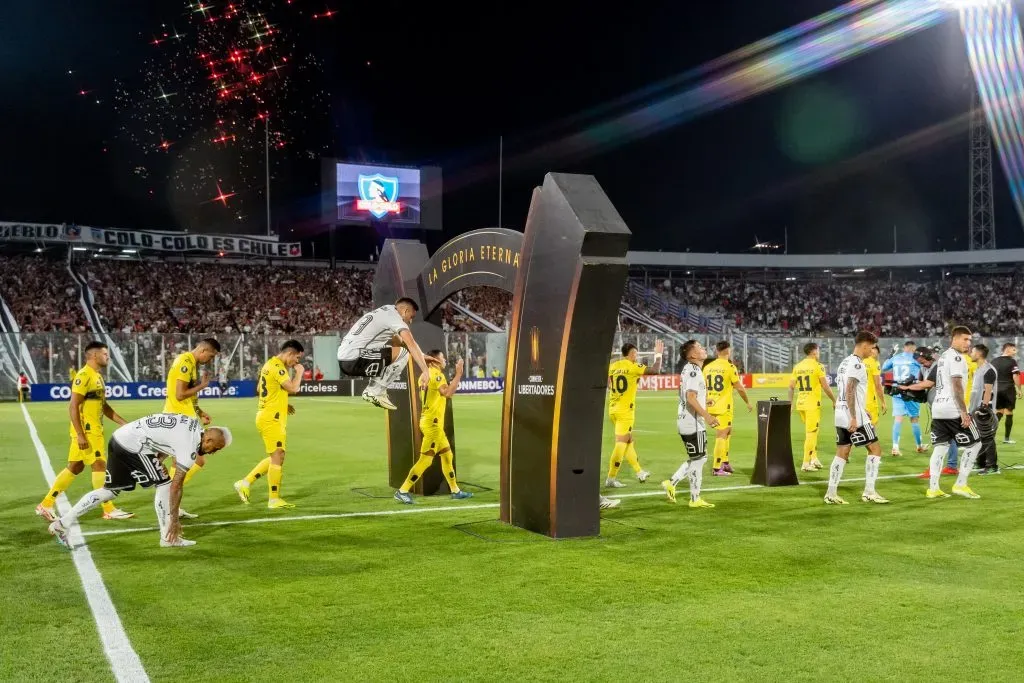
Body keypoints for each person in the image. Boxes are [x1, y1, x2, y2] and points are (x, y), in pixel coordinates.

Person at [48, 414, 232, 549]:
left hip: (120, 439)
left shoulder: (193, 424)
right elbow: (176, 486)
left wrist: (157, 459)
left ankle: (61, 524)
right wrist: (175, 520)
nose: (212, 452)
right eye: (214, 448)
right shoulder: (189, 448)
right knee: (166, 485)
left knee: (110, 491)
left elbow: (166, 437)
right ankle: (168, 537)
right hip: (134, 446)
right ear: (207, 439)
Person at [35, 341, 134, 523]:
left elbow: (103, 406)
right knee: (99, 465)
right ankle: (108, 508)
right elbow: (73, 405)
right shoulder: (84, 376)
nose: (108, 357)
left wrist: (123, 423)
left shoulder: (97, 376)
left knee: (75, 467)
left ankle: (46, 504)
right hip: (87, 431)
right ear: (94, 356)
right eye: (105, 354)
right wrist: (80, 434)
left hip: (92, 429)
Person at [394, 350, 474, 504]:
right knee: (426, 460)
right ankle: (402, 490)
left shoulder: (424, 375)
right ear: (435, 360)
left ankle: (455, 490)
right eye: (442, 358)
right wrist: (459, 374)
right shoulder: (437, 375)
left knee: (447, 455)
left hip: (430, 421)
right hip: (433, 424)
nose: (445, 361)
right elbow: (448, 393)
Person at [234, 340, 305, 509]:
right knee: (278, 456)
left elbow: (260, 389)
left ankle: (245, 483)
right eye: (297, 358)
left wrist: (281, 402)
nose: (297, 363)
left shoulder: (269, 364)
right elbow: (294, 388)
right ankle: (273, 499)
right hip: (270, 419)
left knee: (278, 456)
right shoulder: (279, 367)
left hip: (270, 416)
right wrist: (300, 372)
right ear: (289, 353)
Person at [824, 330, 888, 505]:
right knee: (875, 450)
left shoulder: (845, 363)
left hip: (841, 412)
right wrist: (854, 416)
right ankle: (869, 492)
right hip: (854, 416)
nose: (872, 351)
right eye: (872, 347)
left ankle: (831, 493)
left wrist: (861, 409)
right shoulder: (858, 364)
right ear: (865, 344)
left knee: (842, 452)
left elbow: (845, 390)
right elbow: (851, 389)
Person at [337, 298, 433, 410]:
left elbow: (398, 341)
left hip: (346, 357)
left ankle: (375, 389)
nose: (410, 321)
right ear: (405, 311)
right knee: (403, 354)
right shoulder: (395, 318)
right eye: (411, 317)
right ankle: (375, 391)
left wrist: (421, 355)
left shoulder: (386, 310)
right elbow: (410, 343)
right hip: (354, 358)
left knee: (393, 350)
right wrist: (426, 371)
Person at [923, 326, 984, 499]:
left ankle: (933, 488)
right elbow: (957, 385)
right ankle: (960, 484)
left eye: (970, 340)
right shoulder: (957, 358)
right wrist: (964, 412)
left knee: (940, 447)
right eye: (965, 339)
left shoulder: (944, 356)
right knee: (976, 443)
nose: (968, 343)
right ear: (954, 339)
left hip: (938, 409)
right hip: (953, 409)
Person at [163, 338, 221, 517]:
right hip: (178, 419)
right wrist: (203, 386)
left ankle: (170, 504)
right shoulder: (185, 361)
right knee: (196, 461)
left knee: (183, 462)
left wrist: (200, 411)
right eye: (210, 356)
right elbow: (180, 394)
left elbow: (189, 396)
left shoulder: (192, 364)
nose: (210, 360)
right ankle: (168, 500)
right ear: (203, 350)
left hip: (184, 418)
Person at [662, 339, 717, 508]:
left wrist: (705, 403)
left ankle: (675, 485)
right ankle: (692, 497)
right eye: (699, 347)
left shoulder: (689, 369)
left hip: (686, 420)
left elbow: (691, 397)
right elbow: (690, 397)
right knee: (700, 458)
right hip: (692, 422)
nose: (703, 348)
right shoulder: (694, 371)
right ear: (692, 355)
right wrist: (707, 416)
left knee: (698, 458)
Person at [604, 339, 663, 490]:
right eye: (635, 354)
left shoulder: (613, 366)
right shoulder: (632, 366)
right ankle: (611, 478)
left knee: (629, 440)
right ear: (630, 354)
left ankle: (639, 472)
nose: (636, 357)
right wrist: (658, 355)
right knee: (621, 443)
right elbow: (655, 370)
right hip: (625, 411)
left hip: (613, 409)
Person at [702, 340, 753, 476]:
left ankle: (725, 462)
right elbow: (739, 388)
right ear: (728, 351)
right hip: (724, 406)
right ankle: (717, 468)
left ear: (717, 351)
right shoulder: (730, 367)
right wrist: (747, 402)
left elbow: (703, 387)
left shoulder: (707, 367)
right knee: (722, 434)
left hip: (710, 404)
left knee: (728, 432)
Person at [788, 342, 836, 472]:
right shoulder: (818, 366)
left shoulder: (798, 366)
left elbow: (791, 387)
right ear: (814, 352)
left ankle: (814, 458)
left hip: (801, 404)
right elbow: (825, 386)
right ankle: (805, 463)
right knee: (811, 433)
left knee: (813, 431)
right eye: (818, 351)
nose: (819, 353)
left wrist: (790, 403)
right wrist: (834, 400)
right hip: (812, 405)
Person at [882, 341, 926, 456]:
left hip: (897, 391)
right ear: (913, 349)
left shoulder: (896, 358)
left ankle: (895, 447)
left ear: (904, 348)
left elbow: (884, 368)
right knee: (914, 419)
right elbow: (923, 371)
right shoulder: (916, 359)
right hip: (911, 391)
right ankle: (919, 446)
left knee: (898, 419)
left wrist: (891, 354)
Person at [968, 344, 999, 475]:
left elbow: (988, 391)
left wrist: (984, 408)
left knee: (987, 437)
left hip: (984, 410)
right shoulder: (979, 369)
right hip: (976, 408)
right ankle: (980, 462)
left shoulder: (988, 369)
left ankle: (992, 466)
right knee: (979, 437)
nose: (971, 353)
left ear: (979, 354)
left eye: (973, 351)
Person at [990, 342, 1021, 444]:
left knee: (999, 413)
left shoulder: (994, 361)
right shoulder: (1012, 362)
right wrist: (1019, 389)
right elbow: (1015, 376)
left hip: (996, 389)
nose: (1015, 352)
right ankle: (1006, 439)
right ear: (1007, 349)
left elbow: (990, 376)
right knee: (1008, 412)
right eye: (1013, 350)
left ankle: (990, 437)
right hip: (1008, 389)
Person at [864, 343, 887, 434]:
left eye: (875, 349)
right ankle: (872, 444)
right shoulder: (874, 363)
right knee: (872, 424)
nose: (873, 350)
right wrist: (883, 402)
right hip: (869, 399)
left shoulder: (860, 361)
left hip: (858, 398)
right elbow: (878, 385)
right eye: (872, 348)